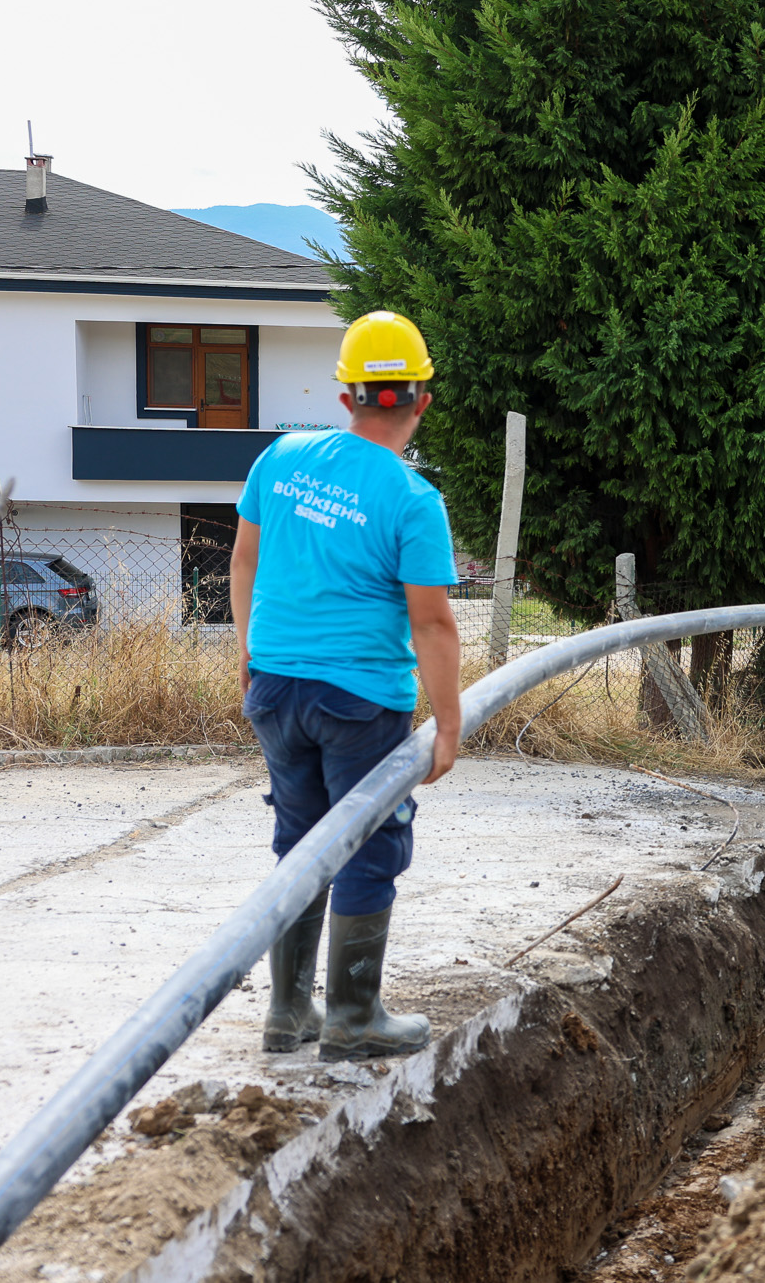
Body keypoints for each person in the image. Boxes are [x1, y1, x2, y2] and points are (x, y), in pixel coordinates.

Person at [229, 310, 462, 1062]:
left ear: (345, 397)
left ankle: (288, 1012)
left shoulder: (281, 458)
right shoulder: (413, 500)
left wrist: (249, 650)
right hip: (358, 702)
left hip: (274, 689)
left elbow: (243, 560)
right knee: (368, 844)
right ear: (422, 399)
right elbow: (432, 624)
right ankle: (354, 1017)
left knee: (300, 841)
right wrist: (449, 725)